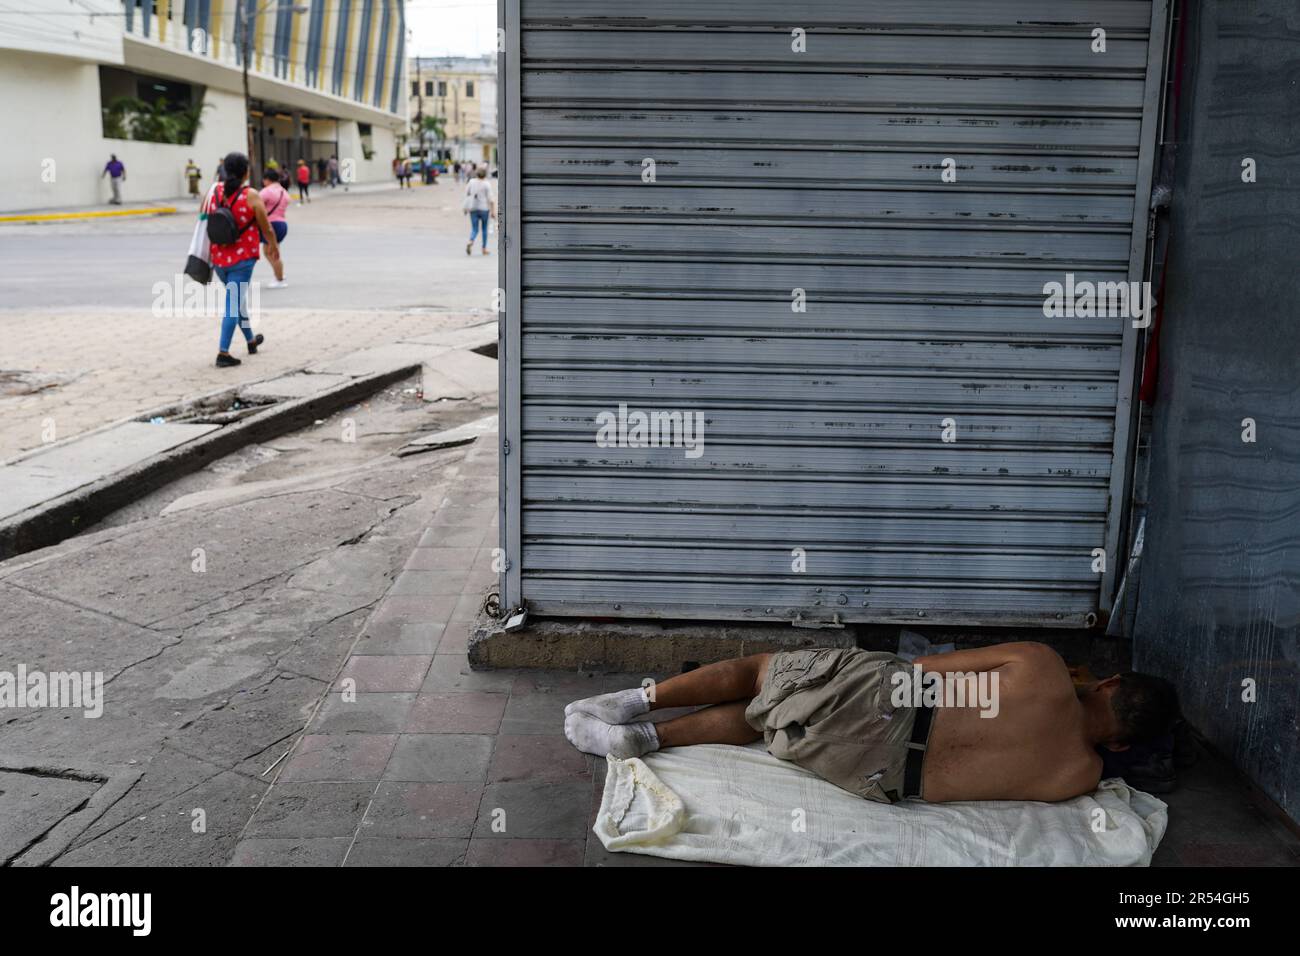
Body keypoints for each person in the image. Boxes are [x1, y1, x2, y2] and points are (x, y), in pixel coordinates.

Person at [563, 642, 1180, 804]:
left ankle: (641, 702)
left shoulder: (1043, 666)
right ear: (1122, 740)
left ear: (1109, 683)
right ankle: (644, 740)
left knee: (763, 674)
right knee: (772, 720)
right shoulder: (1078, 776)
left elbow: (927, 665)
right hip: (873, 775)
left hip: (900, 699)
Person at [207, 151, 280, 368]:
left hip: (219, 258)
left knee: (237, 301)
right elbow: (266, 227)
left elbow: (204, 218)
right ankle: (223, 352)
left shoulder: (214, 191)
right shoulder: (251, 195)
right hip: (242, 260)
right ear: (246, 172)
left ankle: (250, 340)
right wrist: (273, 246)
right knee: (233, 303)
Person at [258, 168, 290, 288]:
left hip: (271, 225)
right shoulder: (284, 192)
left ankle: (280, 279)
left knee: (271, 253)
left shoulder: (267, 191)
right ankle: (279, 274)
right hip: (282, 224)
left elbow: (256, 204)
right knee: (270, 251)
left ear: (267, 180)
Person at [464, 166, 494, 256]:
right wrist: (493, 211)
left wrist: (465, 208)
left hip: (473, 208)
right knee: (484, 229)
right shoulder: (486, 184)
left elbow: (467, 194)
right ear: (485, 175)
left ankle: (471, 241)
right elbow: (491, 199)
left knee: (474, 229)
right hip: (484, 209)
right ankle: (484, 249)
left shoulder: (471, 182)